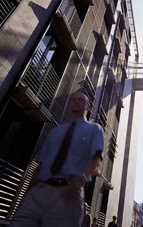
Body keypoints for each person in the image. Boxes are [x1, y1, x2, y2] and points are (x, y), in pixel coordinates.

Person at [10, 90, 104, 227]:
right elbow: (40, 165)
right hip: (39, 192)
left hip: (68, 192)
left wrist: (77, 184)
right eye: (73, 99)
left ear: (88, 107)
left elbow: (96, 159)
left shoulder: (95, 129)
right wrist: (26, 196)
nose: (76, 102)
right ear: (69, 104)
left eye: (81, 100)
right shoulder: (56, 132)